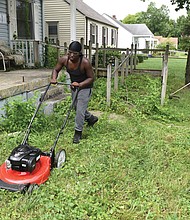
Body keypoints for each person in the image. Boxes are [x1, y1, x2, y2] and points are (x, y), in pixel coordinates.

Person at [50, 41, 98, 144]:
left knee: (80, 110)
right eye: (70, 52)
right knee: (76, 107)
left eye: (74, 53)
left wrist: (80, 85)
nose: (71, 55)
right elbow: (56, 69)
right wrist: (54, 78)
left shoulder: (85, 62)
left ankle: (78, 133)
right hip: (74, 87)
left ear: (79, 53)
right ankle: (91, 118)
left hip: (85, 87)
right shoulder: (64, 60)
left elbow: (91, 78)